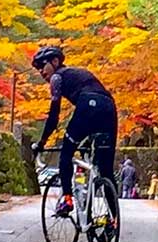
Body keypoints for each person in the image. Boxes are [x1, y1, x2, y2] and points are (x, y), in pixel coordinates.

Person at [29, 45, 118, 217]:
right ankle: (113, 220)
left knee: (66, 154)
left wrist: (41, 142)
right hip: (109, 107)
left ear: (55, 62)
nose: (41, 71)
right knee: (105, 169)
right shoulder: (79, 73)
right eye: (38, 68)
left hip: (87, 104)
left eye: (43, 65)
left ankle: (67, 199)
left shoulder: (57, 77)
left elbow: (54, 116)